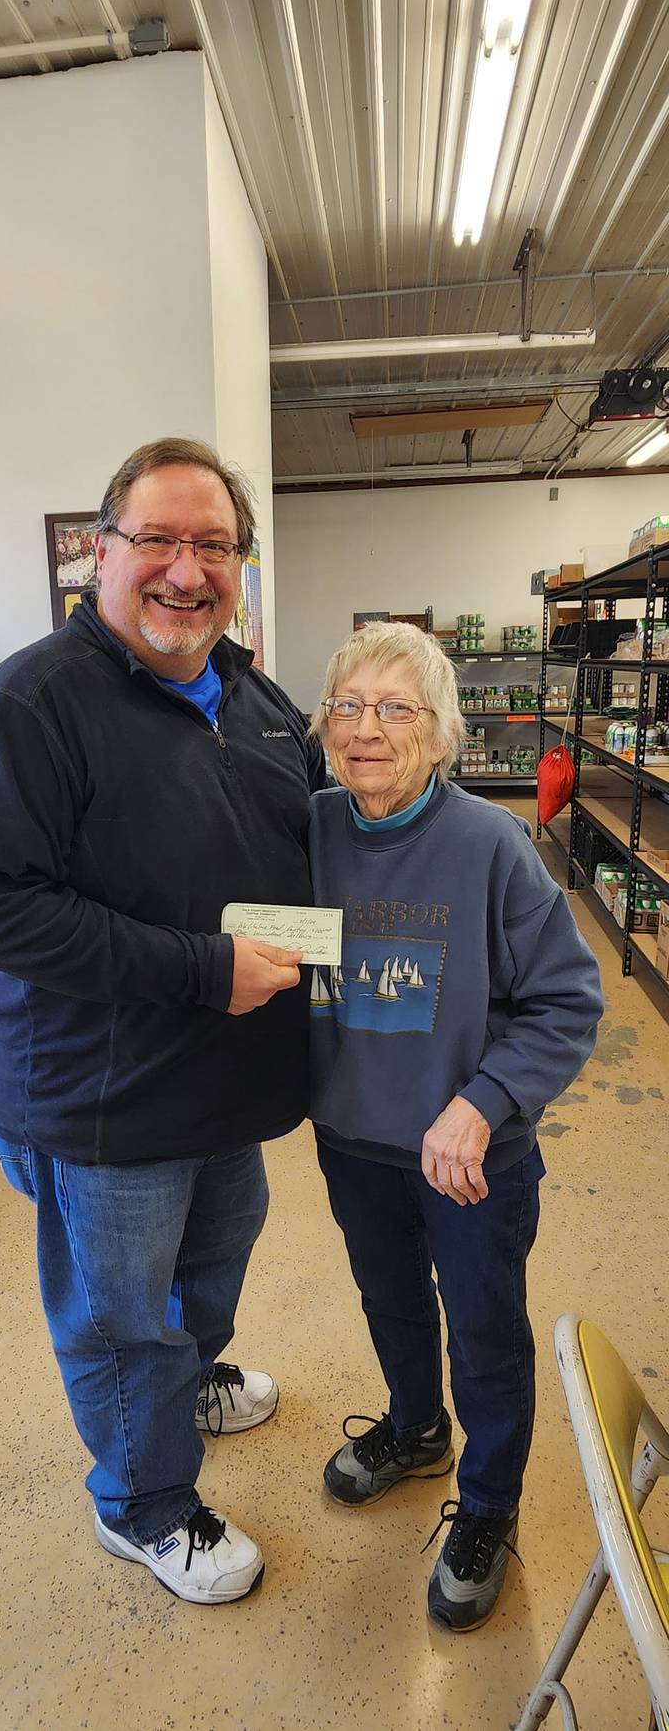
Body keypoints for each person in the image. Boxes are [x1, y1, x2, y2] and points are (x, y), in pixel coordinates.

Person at [0, 436, 326, 1606]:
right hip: (104, 1099)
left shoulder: (252, 693)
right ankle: (143, 1504)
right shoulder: (28, 705)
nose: (183, 568)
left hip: (226, 1082)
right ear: (102, 552)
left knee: (214, 1260)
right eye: (155, 538)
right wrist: (204, 969)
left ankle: (185, 1381)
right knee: (118, 1319)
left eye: (212, 544)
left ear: (240, 566)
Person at [307, 622, 603, 1632]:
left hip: (470, 1157)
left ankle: (485, 1504)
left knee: (480, 1328)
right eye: (346, 706)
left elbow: (565, 1000)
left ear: (440, 733)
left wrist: (479, 1104)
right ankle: (414, 1427)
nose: (366, 729)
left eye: (396, 708)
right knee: (388, 1299)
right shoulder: (306, 829)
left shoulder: (488, 844)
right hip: (352, 1139)